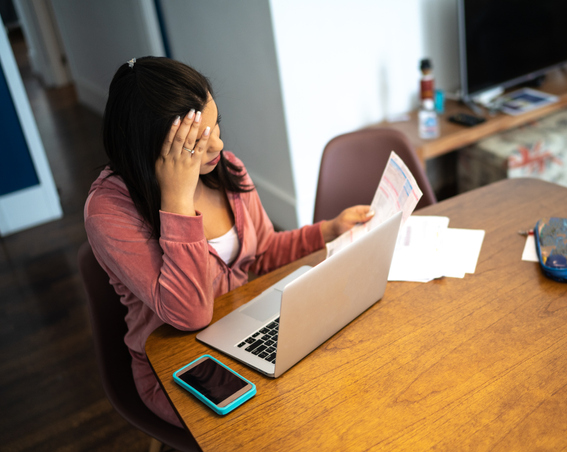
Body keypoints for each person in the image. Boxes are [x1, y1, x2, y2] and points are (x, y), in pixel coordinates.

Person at [84, 57, 372, 427]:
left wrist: (328, 230)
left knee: (338, 377)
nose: (218, 143)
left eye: (216, 124)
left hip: (244, 330)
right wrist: (177, 201)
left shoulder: (227, 168)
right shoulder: (109, 212)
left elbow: (264, 251)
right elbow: (190, 314)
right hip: (178, 368)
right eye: (198, 142)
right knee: (284, 421)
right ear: (153, 151)